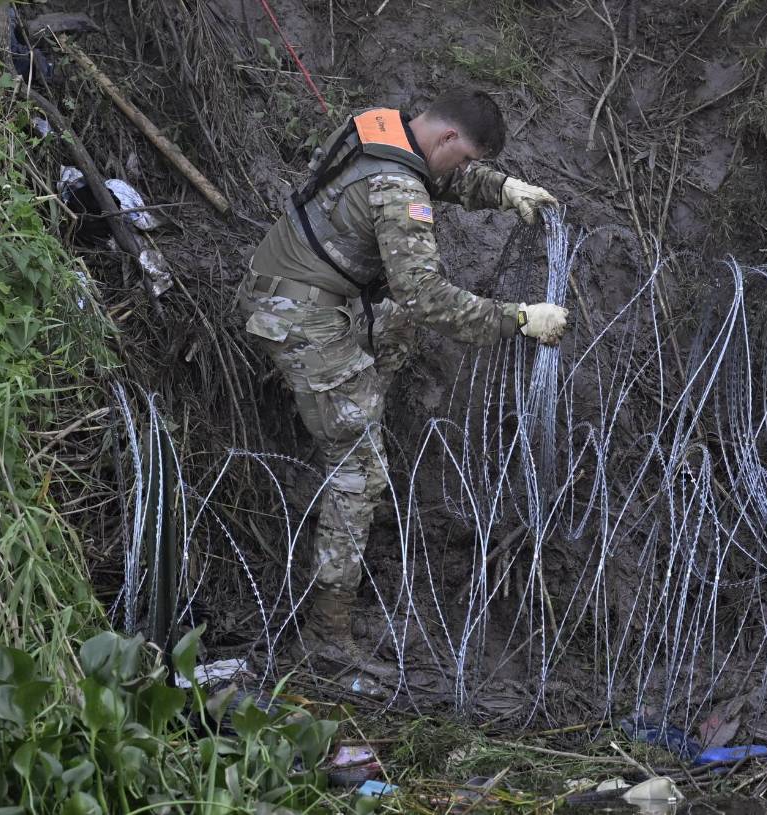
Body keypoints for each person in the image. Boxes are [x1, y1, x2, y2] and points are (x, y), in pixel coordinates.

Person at [237, 90, 567, 674]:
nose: (461, 171)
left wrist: (501, 188)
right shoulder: (399, 189)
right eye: (464, 159)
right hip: (299, 315)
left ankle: (349, 420)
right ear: (444, 139)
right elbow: (427, 297)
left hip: (291, 288)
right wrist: (518, 319)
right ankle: (327, 633)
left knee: (393, 330)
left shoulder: (378, 126)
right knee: (362, 472)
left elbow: (434, 180)